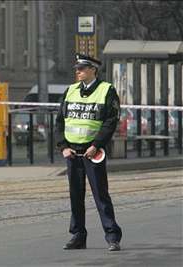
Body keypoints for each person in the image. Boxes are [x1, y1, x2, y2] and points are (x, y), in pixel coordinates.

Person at [55, 54, 122, 251]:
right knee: (75, 195)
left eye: (82, 68)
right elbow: (60, 121)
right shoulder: (70, 90)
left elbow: (111, 121)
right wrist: (63, 146)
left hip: (93, 152)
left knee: (100, 195)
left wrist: (97, 144)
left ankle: (112, 236)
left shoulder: (106, 90)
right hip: (72, 153)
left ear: (93, 69)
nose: (78, 71)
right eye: (77, 68)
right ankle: (78, 235)